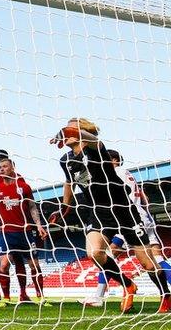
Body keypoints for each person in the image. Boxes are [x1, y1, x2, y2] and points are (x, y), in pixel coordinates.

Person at [49, 118, 170, 313]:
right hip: (97, 212)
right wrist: (64, 207)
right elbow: (69, 182)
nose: (68, 132)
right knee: (94, 253)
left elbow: (96, 140)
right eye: (67, 128)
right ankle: (128, 284)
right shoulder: (66, 160)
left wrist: (73, 131)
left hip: (123, 210)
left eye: (73, 128)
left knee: (147, 262)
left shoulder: (96, 149)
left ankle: (166, 294)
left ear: (82, 132)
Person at [81, 149, 171, 307]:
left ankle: (99, 296)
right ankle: (165, 295)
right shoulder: (128, 174)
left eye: (106, 160)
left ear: (114, 160)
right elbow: (145, 198)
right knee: (156, 260)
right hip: (144, 217)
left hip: (127, 218)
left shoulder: (115, 173)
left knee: (106, 254)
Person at [0, 158, 50, 307]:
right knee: (3, 266)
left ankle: (41, 298)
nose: (2, 169)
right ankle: (6, 299)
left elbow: (33, 207)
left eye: (5, 166)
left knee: (35, 266)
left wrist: (39, 225)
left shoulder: (24, 187)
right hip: (6, 233)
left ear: (13, 167)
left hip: (25, 232)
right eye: (0, 167)